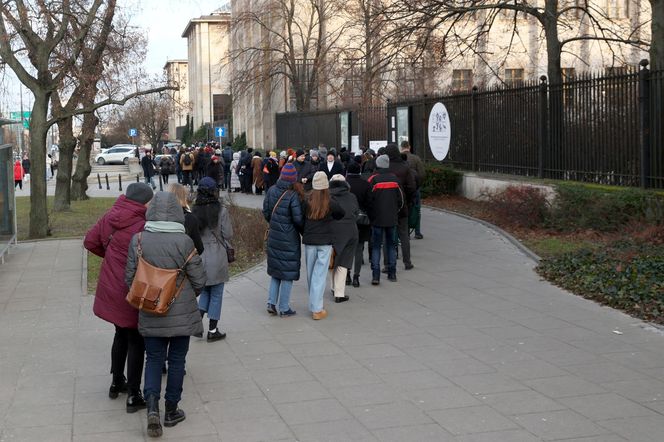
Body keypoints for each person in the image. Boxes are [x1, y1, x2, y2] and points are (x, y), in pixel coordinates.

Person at [125, 192, 206, 438]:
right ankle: (171, 410)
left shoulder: (138, 240)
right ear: (176, 212)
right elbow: (200, 279)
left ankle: (152, 409)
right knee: (178, 361)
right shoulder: (184, 242)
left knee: (153, 359)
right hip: (181, 314)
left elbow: (130, 278)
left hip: (150, 311)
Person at [84, 183, 154, 413]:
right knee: (136, 339)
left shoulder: (110, 216)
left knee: (120, 333)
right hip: (132, 287)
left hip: (111, 286)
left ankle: (116, 382)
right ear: (143, 202)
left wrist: (111, 256)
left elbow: (90, 241)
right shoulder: (142, 224)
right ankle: (134, 394)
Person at [192, 177, 233, 341]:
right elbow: (228, 234)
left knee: (206, 290)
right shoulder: (221, 210)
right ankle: (213, 330)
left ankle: (196, 325)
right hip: (217, 254)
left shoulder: (194, 210)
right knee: (216, 292)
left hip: (200, 254)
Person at [302, 171, 345, 320]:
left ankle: (314, 304)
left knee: (310, 274)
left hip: (309, 241)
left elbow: (300, 219)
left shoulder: (306, 200)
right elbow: (341, 214)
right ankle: (317, 308)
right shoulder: (330, 201)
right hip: (325, 242)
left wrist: (305, 231)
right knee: (319, 275)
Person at [262, 163, 304, 316]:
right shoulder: (293, 195)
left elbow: (266, 212)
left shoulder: (272, 190)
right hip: (289, 238)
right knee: (287, 273)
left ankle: (271, 302)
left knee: (276, 272)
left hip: (274, 236)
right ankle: (284, 307)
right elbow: (298, 220)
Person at [368, 155, 403, 285]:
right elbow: (401, 200)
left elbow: (369, 200)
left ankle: (375, 275)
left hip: (377, 219)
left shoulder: (374, 180)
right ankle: (392, 273)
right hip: (392, 218)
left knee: (376, 246)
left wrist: (371, 215)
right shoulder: (395, 179)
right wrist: (395, 212)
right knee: (391, 246)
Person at [385, 144, 416, 270]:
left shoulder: (385, 167)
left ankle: (387, 264)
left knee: (387, 236)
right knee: (404, 234)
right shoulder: (405, 167)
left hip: (386, 206)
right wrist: (406, 198)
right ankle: (407, 262)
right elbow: (412, 187)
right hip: (402, 206)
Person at [328, 174, 359, 303]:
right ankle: (339, 293)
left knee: (332, 259)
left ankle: (333, 287)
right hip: (350, 230)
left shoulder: (328, 197)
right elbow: (356, 212)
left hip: (332, 230)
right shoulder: (352, 196)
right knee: (344, 262)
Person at [346, 161, 372, 287]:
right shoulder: (365, 184)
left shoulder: (345, 184)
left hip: (347, 221)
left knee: (346, 249)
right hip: (362, 220)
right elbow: (370, 203)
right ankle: (356, 276)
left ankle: (347, 275)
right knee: (359, 248)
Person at [168, 183, 204, 255]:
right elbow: (199, 248)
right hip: (182, 260)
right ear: (183, 197)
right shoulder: (189, 218)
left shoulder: (158, 215)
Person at [400, 141, 426, 239]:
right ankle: (417, 232)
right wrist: (417, 184)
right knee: (416, 209)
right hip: (415, 189)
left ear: (401, 147)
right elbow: (422, 174)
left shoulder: (398, 158)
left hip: (402, 189)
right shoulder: (416, 158)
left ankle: (404, 231)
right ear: (409, 147)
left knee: (403, 210)